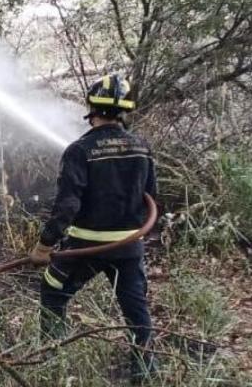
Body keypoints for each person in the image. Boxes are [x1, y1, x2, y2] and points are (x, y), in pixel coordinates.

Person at [29, 74, 157, 382]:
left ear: (91, 108)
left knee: (53, 292)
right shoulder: (142, 147)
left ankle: (51, 360)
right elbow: (151, 196)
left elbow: (67, 206)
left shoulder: (80, 150)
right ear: (124, 111)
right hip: (128, 247)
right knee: (136, 313)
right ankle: (146, 374)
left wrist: (45, 245)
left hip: (84, 248)